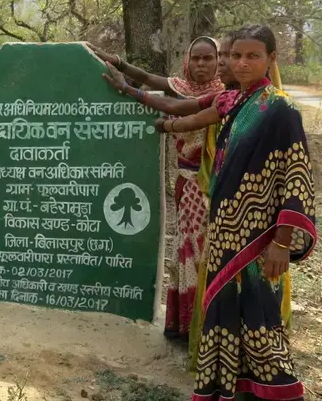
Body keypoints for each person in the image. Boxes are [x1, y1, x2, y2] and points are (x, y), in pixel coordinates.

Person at [157, 25, 316, 401]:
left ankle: (279, 390)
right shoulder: (233, 101)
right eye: (236, 55)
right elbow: (189, 116)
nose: (241, 63)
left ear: (271, 59)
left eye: (253, 56)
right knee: (225, 308)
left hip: (260, 238)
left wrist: (281, 241)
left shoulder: (281, 109)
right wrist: (160, 122)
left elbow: (296, 175)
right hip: (224, 230)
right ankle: (226, 385)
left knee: (260, 311)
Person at [91, 38, 225, 340]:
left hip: (213, 187)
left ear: (219, 60)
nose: (202, 65)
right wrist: (118, 63)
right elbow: (154, 81)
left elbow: (173, 107)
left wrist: (128, 89)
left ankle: (205, 324)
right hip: (184, 183)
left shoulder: (224, 94)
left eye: (209, 58)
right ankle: (185, 323)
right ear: (187, 61)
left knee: (205, 252)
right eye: (197, 59)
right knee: (186, 250)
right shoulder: (183, 86)